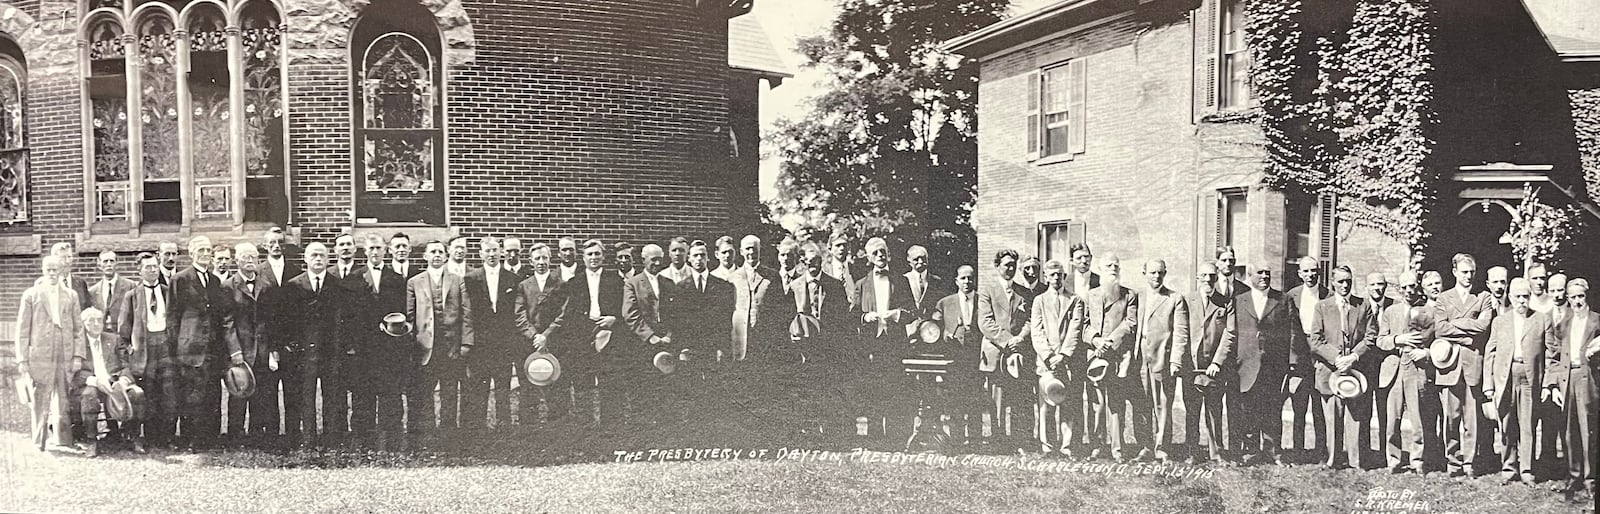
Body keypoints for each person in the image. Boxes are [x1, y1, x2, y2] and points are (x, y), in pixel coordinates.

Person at [1483, 278, 1559, 485]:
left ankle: (1527, 470)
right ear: (1510, 297)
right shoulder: (1500, 322)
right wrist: (1488, 385)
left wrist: (1547, 384)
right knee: (1507, 424)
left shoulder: (1542, 319)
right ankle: (1509, 468)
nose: (1522, 301)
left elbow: (1552, 354)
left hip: (1530, 378)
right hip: (1505, 377)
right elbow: (1489, 353)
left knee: (1528, 424)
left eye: (1525, 296)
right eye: (1517, 296)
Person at [543, 239, 625, 425]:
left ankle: (611, 426)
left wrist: (614, 320)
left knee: (610, 382)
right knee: (582, 381)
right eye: (590, 254)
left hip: (609, 335)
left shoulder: (615, 280)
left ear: (603, 256)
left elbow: (624, 309)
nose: (594, 257)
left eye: (597, 253)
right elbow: (568, 313)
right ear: (583, 257)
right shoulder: (574, 282)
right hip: (582, 338)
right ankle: (586, 426)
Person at [1307, 266, 1376, 470]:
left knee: (1355, 417)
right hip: (1330, 370)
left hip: (1356, 370)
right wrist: (1336, 358)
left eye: (1348, 281)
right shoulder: (1322, 307)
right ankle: (1333, 458)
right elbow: (1316, 339)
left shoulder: (1363, 305)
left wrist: (1354, 356)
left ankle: (1356, 461)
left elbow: (1371, 336)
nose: (1345, 285)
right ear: (1332, 283)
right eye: (1340, 281)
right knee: (1333, 416)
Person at [406, 240, 474, 442]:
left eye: (440, 252)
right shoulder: (414, 282)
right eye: (432, 251)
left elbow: (467, 313)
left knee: (450, 391)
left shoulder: (456, 280)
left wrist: (466, 343)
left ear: (446, 256)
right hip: (424, 347)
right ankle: (427, 435)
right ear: (425, 256)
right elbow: (410, 317)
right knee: (425, 392)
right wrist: (411, 346)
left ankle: (448, 435)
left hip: (450, 347)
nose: (436, 255)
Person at [1435, 253, 1496, 477]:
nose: (1468, 276)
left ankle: (1469, 463)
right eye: (1464, 272)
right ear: (1454, 273)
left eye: (1471, 272)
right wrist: (1467, 337)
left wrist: (1457, 324)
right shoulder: (1443, 298)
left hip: (1472, 365)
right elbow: (1440, 329)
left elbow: (1483, 326)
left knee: (1472, 418)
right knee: (1451, 418)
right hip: (1449, 365)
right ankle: (1453, 462)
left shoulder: (1483, 297)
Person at [16, 254, 85, 451]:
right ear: (43, 270)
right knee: (40, 395)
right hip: (41, 352)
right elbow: (22, 329)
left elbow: (78, 328)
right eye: (49, 270)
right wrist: (22, 359)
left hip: (64, 349)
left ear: (62, 270)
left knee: (63, 395)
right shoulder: (31, 295)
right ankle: (40, 439)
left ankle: (63, 438)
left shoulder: (71, 295)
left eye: (56, 269)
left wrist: (78, 356)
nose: (52, 273)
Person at [852, 237, 914, 444]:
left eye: (883, 252)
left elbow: (912, 311)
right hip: (872, 344)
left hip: (895, 343)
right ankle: (876, 437)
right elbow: (852, 315)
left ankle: (896, 437)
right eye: (876, 253)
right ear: (869, 258)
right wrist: (865, 317)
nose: (880, 256)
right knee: (874, 390)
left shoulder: (900, 280)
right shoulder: (861, 284)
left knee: (896, 390)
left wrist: (896, 314)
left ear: (888, 255)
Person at [977, 249, 1038, 454]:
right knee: (998, 398)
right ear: (997, 267)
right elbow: (985, 322)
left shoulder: (1023, 292)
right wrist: (1007, 341)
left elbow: (1031, 320)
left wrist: (1020, 338)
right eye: (1006, 265)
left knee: (1020, 397)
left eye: (1013, 265)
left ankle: (1020, 440)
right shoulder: (987, 291)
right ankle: (999, 440)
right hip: (997, 352)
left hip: (1018, 353)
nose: (1010, 268)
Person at [1377, 272, 1439, 473]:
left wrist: (1427, 353)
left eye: (1412, 286)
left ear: (1417, 287)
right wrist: (1397, 340)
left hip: (1416, 369)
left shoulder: (1427, 312)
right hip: (1394, 369)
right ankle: (1394, 460)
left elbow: (1438, 341)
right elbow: (1380, 341)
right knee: (1392, 419)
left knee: (1417, 418)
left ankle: (1417, 461)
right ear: (1399, 289)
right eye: (1404, 287)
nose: (1409, 291)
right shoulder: (1390, 312)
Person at [1231, 264, 1292, 466]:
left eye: (1268, 272)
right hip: (1245, 364)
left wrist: (1290, 364)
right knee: (1247, 409)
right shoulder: (1239, 300)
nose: (1265, 276)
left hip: (1273, 365)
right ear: (1250, 275)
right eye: (1260, 272)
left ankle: (1274, 451)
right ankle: (1250, 450)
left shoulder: (1282, 299)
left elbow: (1292, 333)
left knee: (1272, 410)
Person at [169, 236, 227, 450]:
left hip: (212, 348)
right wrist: (175, 350)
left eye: (208, 250)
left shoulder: (215, 281)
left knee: (212, 393)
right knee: (191, 395)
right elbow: (172, 318)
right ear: (192, 254)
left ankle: (210, 438)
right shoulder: (180, 280)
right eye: (201, 250)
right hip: (190, 348)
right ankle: (190, 439)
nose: (205, 254)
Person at [282, 243, 340, 447]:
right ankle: (308, 437)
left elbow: (342, 319)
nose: (318, 259)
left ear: (327, 259)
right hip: (304, 352)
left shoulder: (337, 285)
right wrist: (293, 345)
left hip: (330, 351)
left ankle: (331, 438)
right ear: (305, 259)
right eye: (313, 255)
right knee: (305, 395)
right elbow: (287, 321)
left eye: (322, 255)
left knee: (331, 395)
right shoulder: (294, 285)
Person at [352, 233, 407, 447]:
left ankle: (392, 435)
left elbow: (402, 312)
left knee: (390, 391)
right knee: (363, 391)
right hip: (363, 347)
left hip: (388, 346)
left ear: (385, 251)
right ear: (365, 251)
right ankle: (363, 437)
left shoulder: (395, 279)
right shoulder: (354, 278)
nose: (375, 252)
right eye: (371, 248)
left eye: (379, 248)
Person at [117, 252, 175, 447]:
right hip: (145, 349)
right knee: (148, 392)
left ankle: (164, 437)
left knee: (167, 393)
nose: (152, 270)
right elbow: (123, 330)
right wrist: (131, 351)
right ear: (139, 271)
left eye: (154, 266)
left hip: (165, 347)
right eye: (147, 267)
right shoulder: (132, 296)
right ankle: (147, 437)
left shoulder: (168, 291)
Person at [1082, 256, 1137, 461]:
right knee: (1096, 403)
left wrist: (1110, 342)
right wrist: (1096, 340)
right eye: (1108, 266)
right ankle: (1096, 446)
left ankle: (1117, 449)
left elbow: (1130, 322)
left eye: (1116, 265)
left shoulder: (1129, 294)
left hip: (1117, 356)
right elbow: (1084, 325)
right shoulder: (1090, 295)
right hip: (1095, 356)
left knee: (1116, 403)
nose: (1113, 268)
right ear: (1100, 269)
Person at [74, 306, 148, 456]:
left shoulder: (113, 339)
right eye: (91, 321)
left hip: (114, 382)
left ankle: (132, 436)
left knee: (137, 394)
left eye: (99, 321)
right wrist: (94, 381)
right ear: (83, 324)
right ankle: (92, 440)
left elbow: (126, 364)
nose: (96, 324)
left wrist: (123, 380)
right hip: (92, 383)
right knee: (90, 395)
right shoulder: (78, 343)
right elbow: (75, 371)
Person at [1030, 259, 1086, 457]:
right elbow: (1036, 330)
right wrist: (1048, 356)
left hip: (1067, 360)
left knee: (1067, 403)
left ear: (1064, 276)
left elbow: (1075, 328)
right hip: (1046, 362)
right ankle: (1047, 445)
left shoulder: (1076, 300)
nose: (1056, 278)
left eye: (1059, 274)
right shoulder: (1039, 301)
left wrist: (1063, 355)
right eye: (1051, 275)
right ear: (1045, 277)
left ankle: (1066, 446)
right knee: (1046, 403)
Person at [463, 236, 519, 432]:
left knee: (503, 388)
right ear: (481, 254)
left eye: (495, 250)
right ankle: (478, 430)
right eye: (487, 251)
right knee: (479, 388)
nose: (492, 254)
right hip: (480, 345)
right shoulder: (470, 279)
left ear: (501, 252)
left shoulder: (512, 278)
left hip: (503, 344)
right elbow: (467, 312)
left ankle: (504, 429)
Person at [622, 244, 679, 425]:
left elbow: (677, 313)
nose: (656, 263)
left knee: (667, 385)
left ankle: (666, 425)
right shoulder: (632, 283)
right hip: (643, 343)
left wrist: (669, 334)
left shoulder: (668, 283)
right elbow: (629, 314)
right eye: (652, 259)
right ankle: (644, 426)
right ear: (643, 260)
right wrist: (650, 336)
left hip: (666, 342)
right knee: (644, 385)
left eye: (659, 259)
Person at [1550, 278, 1597, 492]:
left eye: (1581, 296)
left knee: (1588, 428)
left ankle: (1590, 479)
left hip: (1588, 379)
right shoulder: (1563, 323)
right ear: (1567, 299)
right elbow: (1556, 356)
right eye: (1573, 297)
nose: (1577, 301)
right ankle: (1573, 475)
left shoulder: (1597, 321)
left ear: (1586, 296)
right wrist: (1554, 385)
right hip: (1567, 379)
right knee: (1569, 429)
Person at [1185, 263, 1234, 464]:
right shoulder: (1187, 301)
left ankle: (1217, 452)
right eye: (1204, 276)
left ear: (1217, 278)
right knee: (1192, 411)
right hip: (1191, 366)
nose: (1208, 280)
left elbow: (1230, 334)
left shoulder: (1225, 303)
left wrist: (1217, 362)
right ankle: (1192, 451)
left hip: (1214, 368)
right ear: (1197, 277)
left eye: (1212, 276)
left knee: (1214, 410)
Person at [514, 242, 564, 424]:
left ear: (550, 259)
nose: (541, 262)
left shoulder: (560, 284)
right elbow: (519, 314)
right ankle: (529, 427)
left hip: (554, 341)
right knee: (528, 384)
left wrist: (547, 335)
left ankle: (557, 426)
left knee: (556, 385)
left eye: (545, 257)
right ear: (530, 261)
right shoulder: (523, 286)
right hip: (529, 343)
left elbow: (563, 314)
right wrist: (534, 335)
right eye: (537, 258)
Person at [1284, 256, 1328, 464]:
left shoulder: (1328, 294)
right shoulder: (1291, 296)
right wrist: (1293, 360)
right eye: (1306, 271)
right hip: (1300, 358)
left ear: (1319, 272)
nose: (1311, 275)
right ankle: (1298, 451)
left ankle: (1321, 452)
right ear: (1300, 274)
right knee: (1299, 406)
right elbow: (1290, 330)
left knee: (1320, 406)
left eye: (1314, 271)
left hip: (1322, 357)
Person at [935, 265, 983, 445]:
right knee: (955, 398)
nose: (967, 282)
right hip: (954, 357)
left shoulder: (983, 300)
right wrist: (945, 335)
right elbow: (935, 328)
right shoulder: (945, 303)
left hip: (976, 357)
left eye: (970, 278)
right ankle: (956, 437)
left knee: (976, 397)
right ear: (956, 281)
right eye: (963, 278)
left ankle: (976, 438)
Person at [730, 235, 786, 362]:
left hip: (765, 341)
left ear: (760, 249)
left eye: (755, 249)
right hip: (740, 340)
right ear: (741, 251)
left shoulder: (772, 276)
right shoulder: (733, 277)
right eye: (748, 249)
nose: (751, 252)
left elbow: (781, 308)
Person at [89, 250, 135, 333]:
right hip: (103, 335)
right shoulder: (93, 291)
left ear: (116, 264)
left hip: (124, 335)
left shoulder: (130, 286)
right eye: (105, 261)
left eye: (112, 261)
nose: (109, 264)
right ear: (99, 264)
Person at [904, 245, 944, 329]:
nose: (920, 261)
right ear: (909, 262)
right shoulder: (903, 280)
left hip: (931, 328)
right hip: (909, 327)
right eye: (916, 259)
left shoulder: (937, 281)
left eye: (923, 258)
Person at [50, 241, 93, 312]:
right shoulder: (48, 284)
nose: (67, 261)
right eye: (63, 257)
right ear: (54, 260)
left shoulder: (81, 283)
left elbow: (87, 309)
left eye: (69, 257)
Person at [826, 232, 861, 306]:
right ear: (830, 249)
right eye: (838, 245)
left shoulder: (855, 268)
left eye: (844, 245)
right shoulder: (825, 270)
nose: (842, 248)